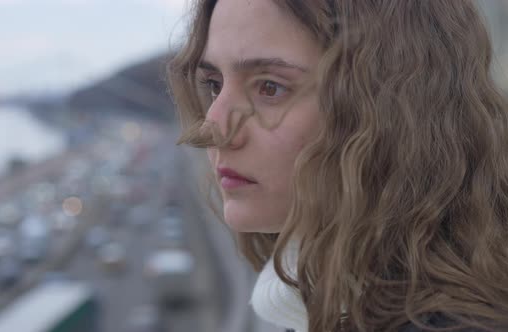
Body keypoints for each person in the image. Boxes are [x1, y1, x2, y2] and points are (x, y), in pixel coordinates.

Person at [167, 0, 508, 331]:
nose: (213, 128)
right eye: (214, 85)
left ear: (390, 110)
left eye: (270, 87)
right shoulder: (316, 300)